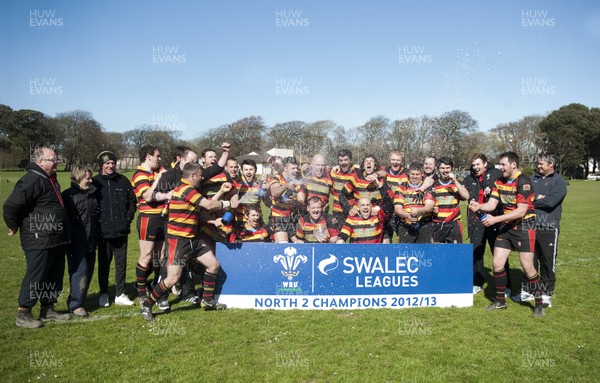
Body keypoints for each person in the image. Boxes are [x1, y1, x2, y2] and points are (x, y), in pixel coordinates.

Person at [140, 163, 230, 321]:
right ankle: (147, 304)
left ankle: (207, 301)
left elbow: (198, 214)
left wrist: (213, 222)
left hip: (192, 239)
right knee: (172, 278)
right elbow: (208, 204)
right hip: (179, 240)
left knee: (213, 265)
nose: (202, 178)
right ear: (192, 176)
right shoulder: (185, 189)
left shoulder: (190, 190)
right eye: (200, 175)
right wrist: (227, 203)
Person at [469, 151, 545, 317]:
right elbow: (491, 204)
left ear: (513, 165)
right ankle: (500, 301)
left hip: (524, 226)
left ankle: (539, 304)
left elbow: (521, 211)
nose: (500, 168)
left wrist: (495, 220)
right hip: (506, 227)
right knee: (497, 263)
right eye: (499, 165)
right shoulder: (499, 182)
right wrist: (479, 206)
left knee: (528, 267)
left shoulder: (523, 182)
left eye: (503, 165)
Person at [3, 147, 71, 328]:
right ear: (40, 162)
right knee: (36, 276)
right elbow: (11, 206)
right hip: (38, 239)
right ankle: (23, 312)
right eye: (52, 159)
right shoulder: (32, 179)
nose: (56, 162)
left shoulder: (49, 178)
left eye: (56, 158)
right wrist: (13, 225)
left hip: (56, 238)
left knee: (53, 275)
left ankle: (48, 309)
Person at [513, 153, 567, 308]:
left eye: (541, 163)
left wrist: (533, 199)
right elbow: (522, 197)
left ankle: (545, 294)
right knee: (528, 259)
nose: (538, 166)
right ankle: (528, 291)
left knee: (547, 261)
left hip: (548, 225)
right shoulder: (531, 179)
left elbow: (550, 202)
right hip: (529, 224)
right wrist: (537, 197)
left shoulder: (559, 182)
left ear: (551, 165)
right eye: (538, 163)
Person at [93, 151, 137, 308]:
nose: (110, 166)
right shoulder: (94, 182)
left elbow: (132, 201)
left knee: (121, 264)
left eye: (112, 163)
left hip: (121, 230)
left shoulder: (123, 181)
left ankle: (120, 294)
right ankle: (104, 293)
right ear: (101, 166)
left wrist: (128, 219)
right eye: (107, 163)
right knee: (104, 264)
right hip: (103, 233)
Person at [463, 153, 510, 295]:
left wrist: (491, 188)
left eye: (478, 164)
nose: (475, 167)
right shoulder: (469, 178)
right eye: (473, 165)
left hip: (493, 220)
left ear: (485, 163)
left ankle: (506, 285)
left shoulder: (495, 173)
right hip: (476, 221)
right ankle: (477, 283)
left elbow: (503, 185)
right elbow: (464, 194)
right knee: (477, 253)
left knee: (499, 253)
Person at [131, 145, 172, 304]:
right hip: (148, 218)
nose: (160, 158)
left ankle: (156, 286)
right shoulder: (139, 174)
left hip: (163, 218)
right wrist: (165, 192)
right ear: (148, 156)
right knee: (146, 255)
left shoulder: (159, 171)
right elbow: (148, 196)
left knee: (159, 256)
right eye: (157, 155)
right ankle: (141, 292)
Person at [62, 166, 99, 317]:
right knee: (79, 272)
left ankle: (78, 299)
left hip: (91, 240)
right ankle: (76, 305)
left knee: (88, 271)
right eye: (87, 178)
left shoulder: (93, 194)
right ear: (78, 178)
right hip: (76, 243)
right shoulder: (68, 196)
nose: (91, 180)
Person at [267, 156, 306, 243]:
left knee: (298, 245)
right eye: (292, 168)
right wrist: (286, 186)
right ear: (285, 168)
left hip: (294, 220)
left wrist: (294, 202)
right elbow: (274, 192)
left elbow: (301, 201)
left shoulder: (299, 182)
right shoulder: (276, 178)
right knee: (283, 245)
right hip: (279, 219)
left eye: (296, 168)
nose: (295, 170)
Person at [431, 157, 469, 244]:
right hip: (437, 224)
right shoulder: (434, 184)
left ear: (451, 169)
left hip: (453, 224)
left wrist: (455, 180)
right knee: (437, 254)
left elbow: (466, 196)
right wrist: (432, 208)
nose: (445, 170)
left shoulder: (457, 184)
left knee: (456, 253)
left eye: (447, 168)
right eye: (442, 168)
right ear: (438, 169)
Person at [394, 162, 435, 243]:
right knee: (406, 253)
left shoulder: (427, 188)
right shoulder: (401, 188)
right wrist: (407, 215)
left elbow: (429, 206)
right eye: (412, 174)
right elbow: (397, 209)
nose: (414, 177)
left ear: (422, 174)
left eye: (417, 174)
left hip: (424, 225)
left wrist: (419, 210)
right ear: (409, 174)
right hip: (406, 225)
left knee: (424, 253)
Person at [379, 150, 408, 243]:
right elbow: (362, 168)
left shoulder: (408, 173)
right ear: (389, 160)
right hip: (387, 213)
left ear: (402, 161)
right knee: (386, 243)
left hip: (401, 213)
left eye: (398, 160)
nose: (395, 162)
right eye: (393, 159)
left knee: (402, 242)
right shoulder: (384, 171)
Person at [330, 149, 357, 229]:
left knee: (354, 239)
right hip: (337, 213)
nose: (343, 163)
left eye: (346, 160)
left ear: (351, 161)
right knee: (338, 239)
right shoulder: (333, 172)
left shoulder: (357, 173)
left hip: (352, 212)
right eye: (341, 160)